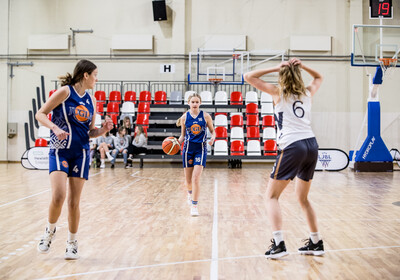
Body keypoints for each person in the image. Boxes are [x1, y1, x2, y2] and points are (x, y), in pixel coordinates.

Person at [244, 58, 324, 259]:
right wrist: (303, 65)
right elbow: (319, 77)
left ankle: (279, 244)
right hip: (311, 144)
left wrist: (277, 66)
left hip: (293, 146)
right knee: (303, 198)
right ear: (299, 75)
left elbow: (248, 76)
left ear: (282, 76)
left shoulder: (277, 93)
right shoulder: (307, 93)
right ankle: (316, 242)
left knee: (271, 197)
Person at [35, 59, 114, 260]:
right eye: (95, 74)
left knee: (73, 202)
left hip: (81, 152)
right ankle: (49, 231)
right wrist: (54, 127)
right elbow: (40, 114)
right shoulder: (65, 92)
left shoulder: (91, 100)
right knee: (59, 196)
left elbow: (89, 132)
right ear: (85, 75)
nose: (97, 78)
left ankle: (72, 242)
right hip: (60, 150)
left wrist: (103, 130)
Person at [177, 93, 215, 216]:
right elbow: (183, 135)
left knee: (196, 178)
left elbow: (213, 131)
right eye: (192, 102)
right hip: (187, 149)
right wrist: (176, 143)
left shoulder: (206, 116)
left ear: (200, 103)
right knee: (188, 181)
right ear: (188, 103)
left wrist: (213, 138)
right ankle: (189, 194)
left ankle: (194, 205)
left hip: (201, 149)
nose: (194, 104)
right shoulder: (184, 117)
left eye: (196, 102)